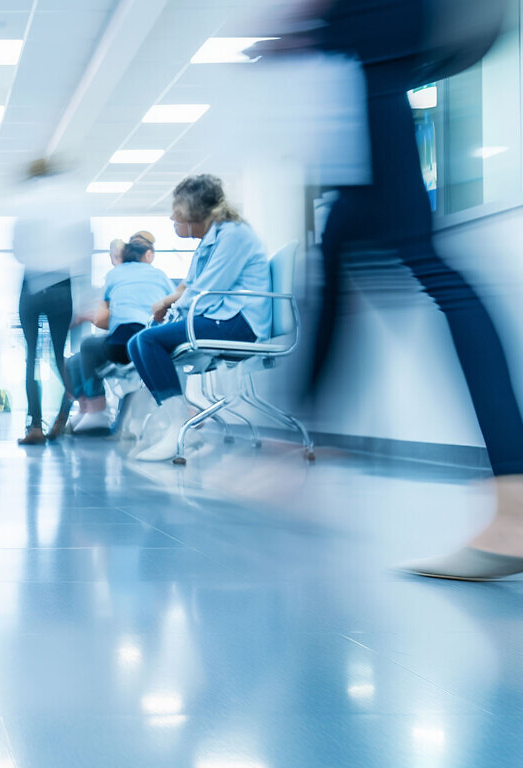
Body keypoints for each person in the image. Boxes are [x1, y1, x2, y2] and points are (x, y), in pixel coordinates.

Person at [259, 0, 523, 580]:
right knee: (342, 251)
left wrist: (309, 22)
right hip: (371, 43)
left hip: (378, 35)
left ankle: (515, 506)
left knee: (425, 265)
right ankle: (297, 449)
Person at [127, 174, 271, 462]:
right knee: (137, 342)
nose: (172, 217)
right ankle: (178, 422)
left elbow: (206, 288)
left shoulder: (234, 236)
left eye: (178, 213)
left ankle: (180, 424)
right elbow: (188, 286)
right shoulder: (212, 238)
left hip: (240, 323)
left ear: (197, 214)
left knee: (149, 340)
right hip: (222, 316)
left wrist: (175, 310)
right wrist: (169, 305)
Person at [11, 158, 92, 445]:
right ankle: (68, 413)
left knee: (31, 357)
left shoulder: (27, 203)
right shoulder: (73, 201)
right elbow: (85, 249)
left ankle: (34, 426)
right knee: (60, 356)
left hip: (32, 284)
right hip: (62, 285)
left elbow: (18, 250)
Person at [69, 233, 174, 435]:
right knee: (81, 357)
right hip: (151, 343)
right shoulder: (159, 275)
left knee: (88, 346)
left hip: (121, 346)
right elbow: (171, 304)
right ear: (149, 255)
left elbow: (103, 315)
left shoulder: (114, 275)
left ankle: (96, 411)